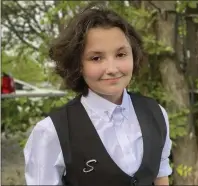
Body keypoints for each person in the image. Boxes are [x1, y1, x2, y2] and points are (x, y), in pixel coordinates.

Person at [24, 4, 172, 186]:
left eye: (121, 54)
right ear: (77, 64)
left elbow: (160, 175)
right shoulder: (51, 132)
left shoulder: (156, 113)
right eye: (96, 58)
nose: (112, 69)